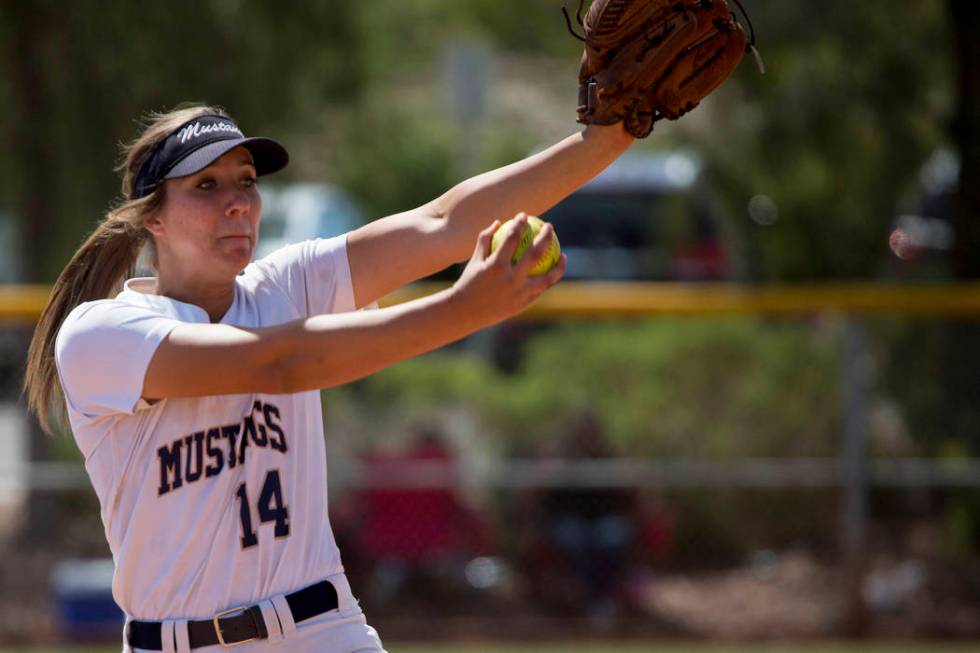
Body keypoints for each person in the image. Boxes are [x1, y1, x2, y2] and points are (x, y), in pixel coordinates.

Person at [23, 104, 633, 652]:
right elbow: (279, 364)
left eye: (245, 182)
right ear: (151, 218)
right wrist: (462, 311)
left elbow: (446, 222)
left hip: (317, 630)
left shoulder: (287, 285)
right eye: (205, 185)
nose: (236, 201)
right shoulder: (101, 334)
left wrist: (605, 140)